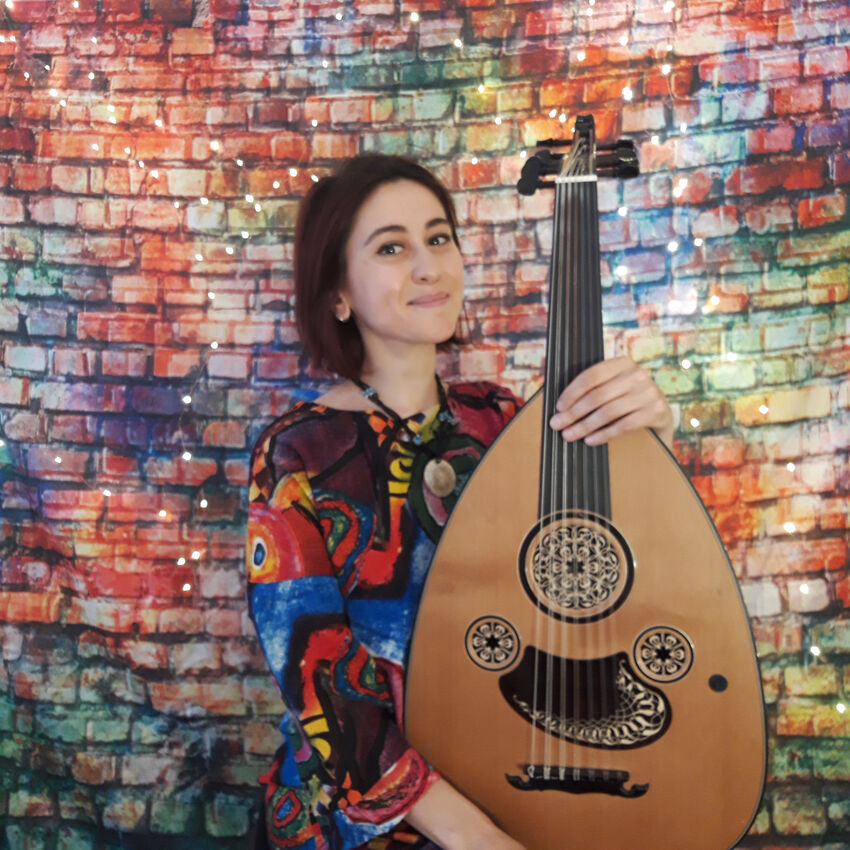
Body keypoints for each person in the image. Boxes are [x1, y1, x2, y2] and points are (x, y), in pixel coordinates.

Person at [246, 154, 674, 850]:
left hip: (513, 781)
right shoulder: (297, 452)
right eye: (391, 247)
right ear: (338, 295)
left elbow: (608, 562)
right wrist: (480, 841)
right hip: (365, 819)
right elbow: (323, 686)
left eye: (439, 237)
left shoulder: (503, 419)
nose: (428, 266)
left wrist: (653, 428)